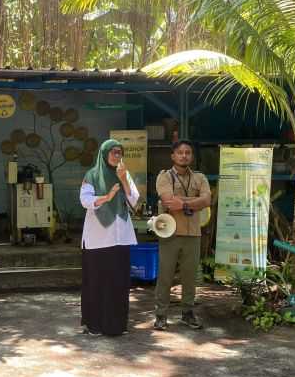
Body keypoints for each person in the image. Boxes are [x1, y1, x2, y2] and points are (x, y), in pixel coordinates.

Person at [79, 139, 139, 336]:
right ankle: (94, 324)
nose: (117, 155)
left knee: (118, 283)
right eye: (113, 152)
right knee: (97, 282)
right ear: (104, 153)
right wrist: (106, 197)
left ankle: (117, 325)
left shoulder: (124, 173)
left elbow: (134, 200)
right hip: (98, 239)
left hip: (120, 237)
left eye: (120, 152)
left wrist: (123, 181)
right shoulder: (92, 175)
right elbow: (85, 201)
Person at [153, 139, 212, 330]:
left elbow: (207, 200)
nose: (184, 155)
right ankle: (161, 315)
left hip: (193, 233)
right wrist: (196, 201)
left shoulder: (200, 178)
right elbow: (169, 201)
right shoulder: (164, 177)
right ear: (173, 156)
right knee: (165, 276)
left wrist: (184, 203)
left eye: (188, 152)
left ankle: (187, 313)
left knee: (189, 276)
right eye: (180, 152)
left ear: (191, 156)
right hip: (169, 232)